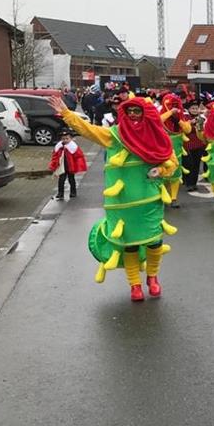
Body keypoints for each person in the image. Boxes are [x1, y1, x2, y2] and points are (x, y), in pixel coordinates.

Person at [47, 94, 178, 302]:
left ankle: (153, 278)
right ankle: (134, 284)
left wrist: (161, 170)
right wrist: (65, 112)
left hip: (149, 201)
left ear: (146, 115)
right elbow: (88, 129)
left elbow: (172, 163)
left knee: (154, 241)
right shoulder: (115, 136)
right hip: (123, 204)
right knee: (130, 244)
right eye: (129, 112)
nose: (133, 116)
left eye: (138, 112)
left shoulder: (157, 136)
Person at [159, 93, 192, 209]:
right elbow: (157, 121)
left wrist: (178, 120)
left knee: (175, 174)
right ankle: (162, 197)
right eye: (171, 105)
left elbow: (188, 129)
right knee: (163, 173)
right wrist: (169, 113)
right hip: (162, 149)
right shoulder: (160, 113)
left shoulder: (182, 114)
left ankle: (174, 198)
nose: (174, 107)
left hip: (177, 149)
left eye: (175, 105)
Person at [49, 129, 88, 199]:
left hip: (70, 167)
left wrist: (79, 165)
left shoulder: (73, 147)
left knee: (71, 179)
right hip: (62, 167)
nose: (65, 140)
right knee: (61, 180)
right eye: (63, 139)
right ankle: (60, 193)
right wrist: (53, 165)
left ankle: (73, 192)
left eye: (67, 138)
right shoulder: (59, 146)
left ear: (71, 138)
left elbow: (79, 156)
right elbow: (55, 156)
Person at [182, 100, 206, 191]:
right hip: (187, 145)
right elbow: (185, 130)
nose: (195, 110)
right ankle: (188, 182)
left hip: (199, 144)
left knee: (196, 165)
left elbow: (201, 130)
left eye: (196, 108)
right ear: (189, 109)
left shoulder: (201, 118)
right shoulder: (185, 118)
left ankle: (193, 183)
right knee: (189, 164)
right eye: (193, 108)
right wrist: (190, 123)